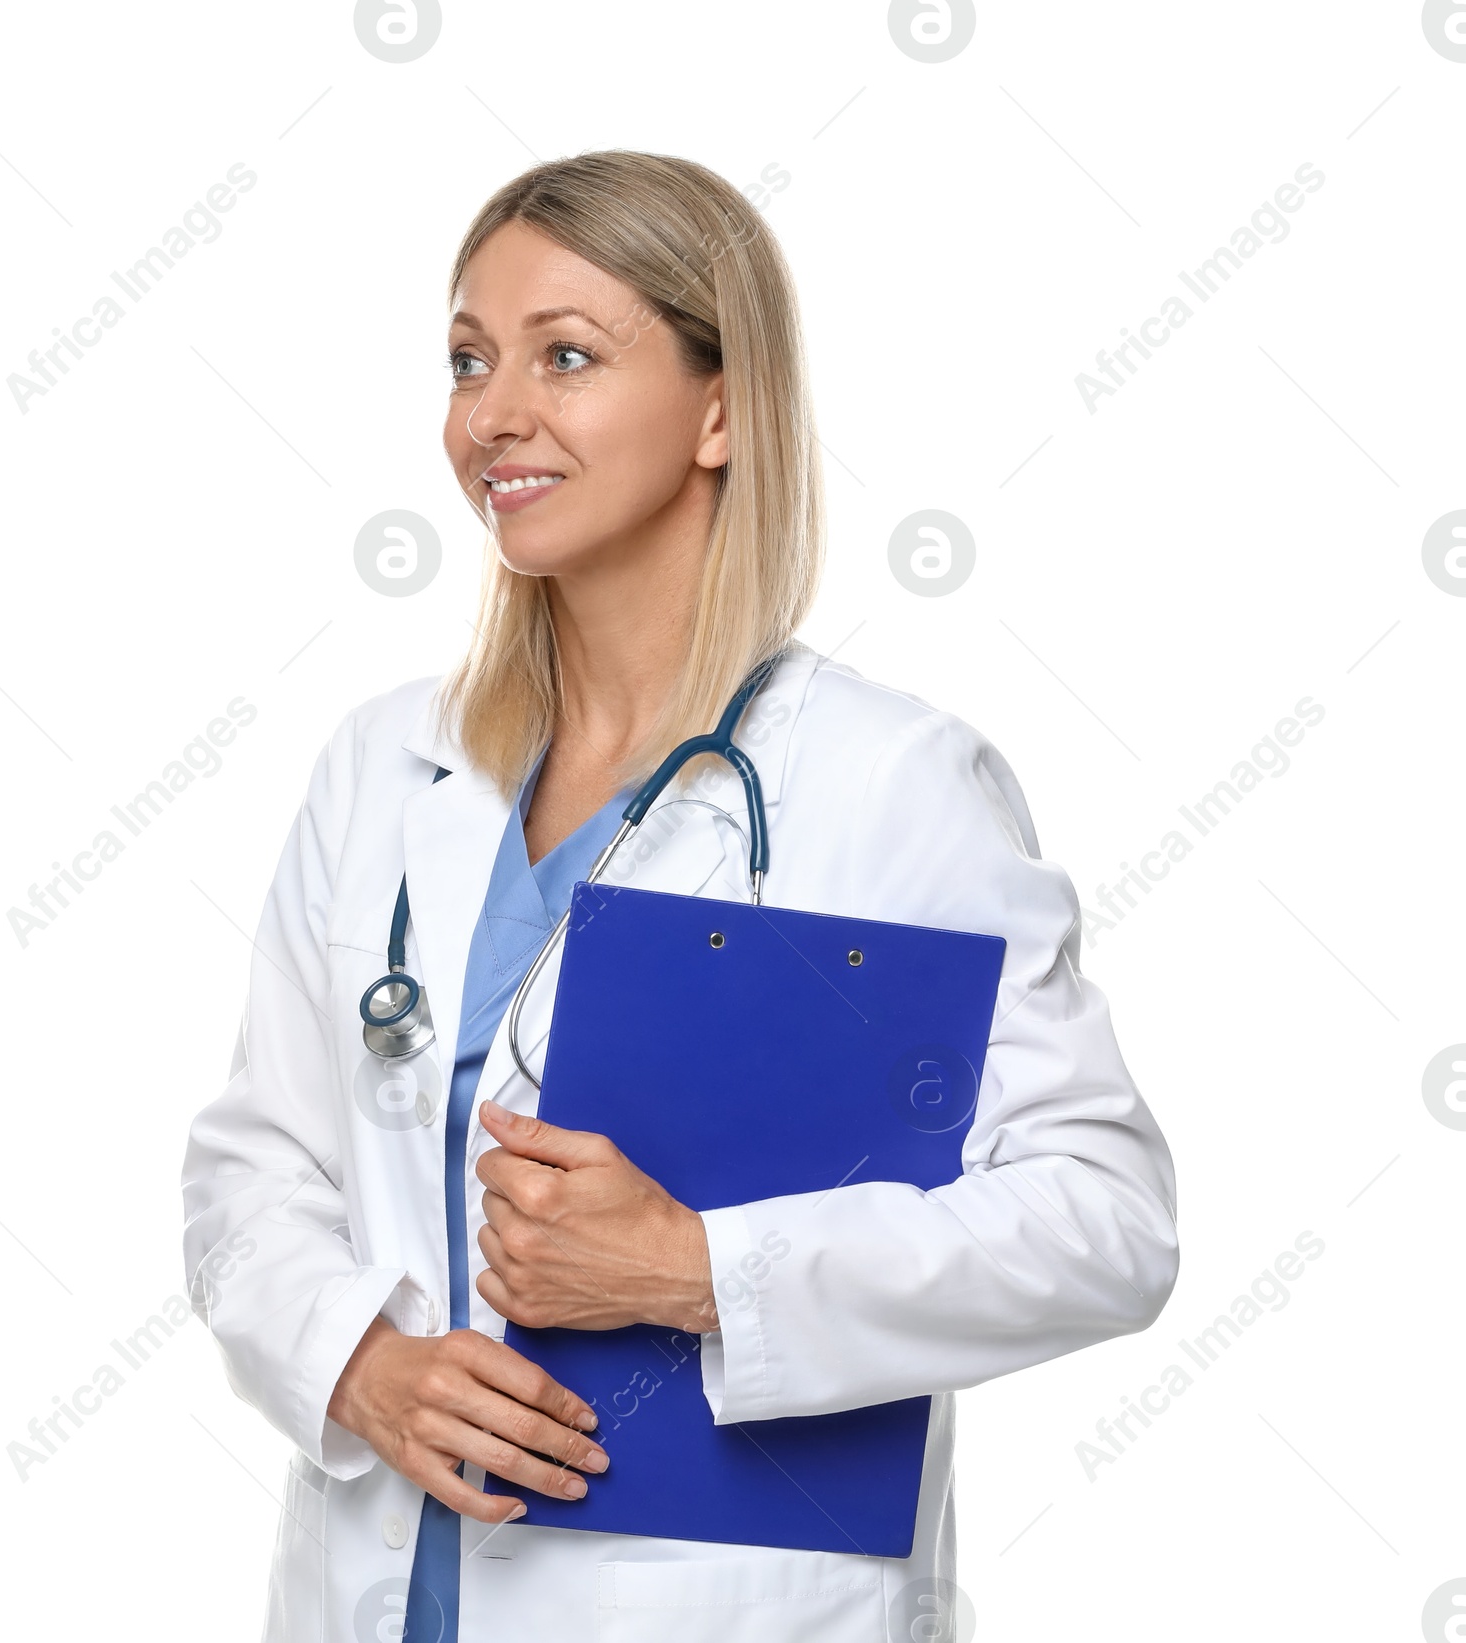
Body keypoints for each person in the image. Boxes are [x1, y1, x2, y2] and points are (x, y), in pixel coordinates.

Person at [180, 148, 1179, 1643]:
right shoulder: (387, 767)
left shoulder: (889, 784)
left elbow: (1106, 1222)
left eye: (565, 356)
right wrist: (357, 1365)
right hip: (386, 1591)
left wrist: (700, 1270)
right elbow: (251, 1171)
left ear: (722, 410)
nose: (492, 415)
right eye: (469, 360)